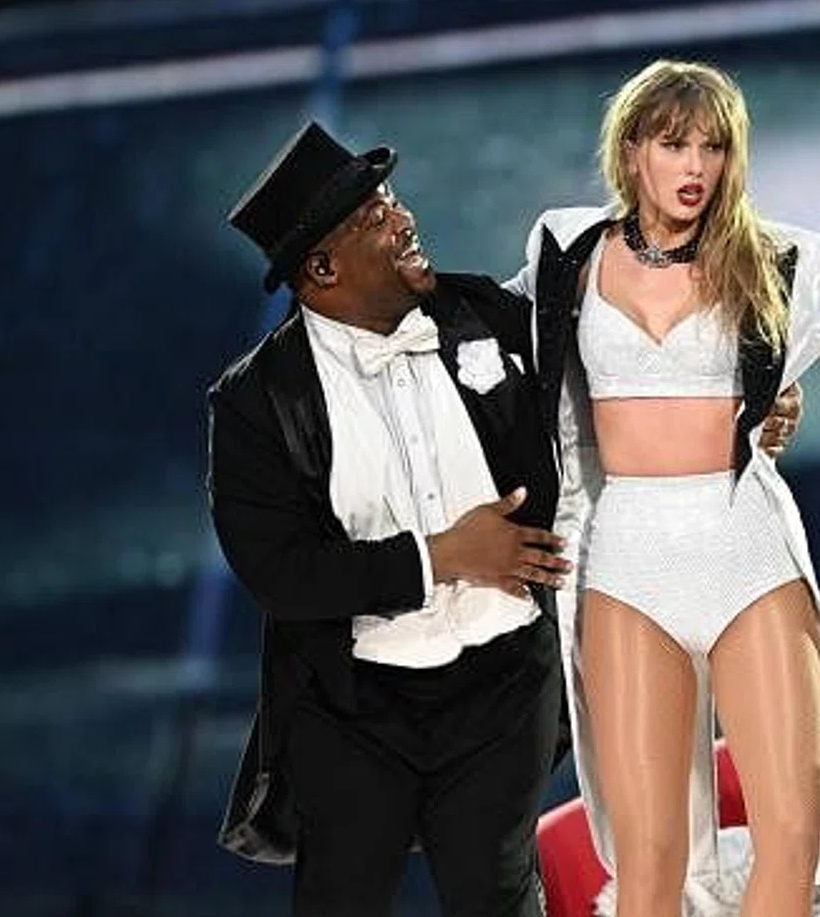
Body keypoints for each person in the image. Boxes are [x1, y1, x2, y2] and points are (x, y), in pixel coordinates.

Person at [510, 59, 820, 917]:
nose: (695, 166)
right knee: (650, 856)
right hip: (625, 559)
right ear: (632, 153)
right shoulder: (567, 251)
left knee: (794, 835)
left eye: (713, 146)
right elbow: (500, 348)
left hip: (744, 553)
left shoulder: (778, 258)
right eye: (674, 145)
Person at [208, 121, 570, 916]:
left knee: (498, 897)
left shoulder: (484, 316)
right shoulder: (258, 402)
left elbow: (612, 385)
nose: (404, 220)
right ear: (322, 268)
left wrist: (761, 409)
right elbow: (283, 574)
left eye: (392, 202)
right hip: (353, 713)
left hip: (505, 686)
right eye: (375, 218)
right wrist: (441, 556)